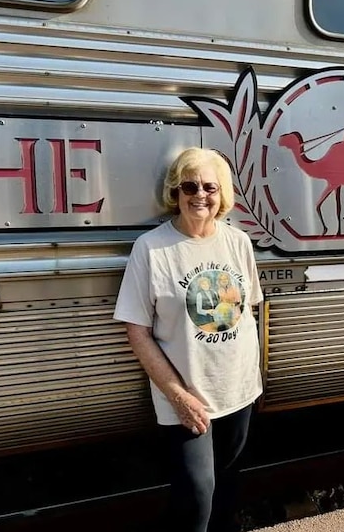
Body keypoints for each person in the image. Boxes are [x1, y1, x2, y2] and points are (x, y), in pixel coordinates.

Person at [113, 147, 263, 532]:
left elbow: (250, 311)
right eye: (189, 186)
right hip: (187, 395)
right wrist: (178, 396)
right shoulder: (151, 249)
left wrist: (255, 377)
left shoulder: (238, 243)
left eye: (210, 187)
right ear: (175, 193)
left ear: (222, 194)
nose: (200, 195)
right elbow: (137, 330)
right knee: (197, 496)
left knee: (228, 492)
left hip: (240, 390)